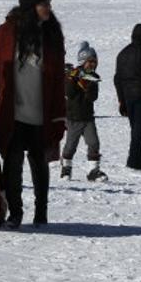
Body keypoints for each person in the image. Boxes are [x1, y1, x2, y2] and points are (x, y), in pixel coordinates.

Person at [0, 0, 66, 229]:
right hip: (12, 114)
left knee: (40, 165)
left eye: (49, 3)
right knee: (12, 164)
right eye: (43, 4)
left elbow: (59, 81)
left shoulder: (52, 36)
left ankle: (41, 213)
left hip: (42, 114)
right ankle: (15, 213)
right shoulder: (6, 33)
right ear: (30, 7)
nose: (48, 9)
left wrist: (61, 116)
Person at [114, 23, 141, 172]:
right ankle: (133, 161)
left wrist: (121, 99)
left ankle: (139, 162)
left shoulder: (123, 53)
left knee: (135, 130)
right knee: (138, 131)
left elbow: (117, 78)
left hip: (127, 96)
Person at [61, 41, 106, 181]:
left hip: (88, 118)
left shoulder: (93, 78)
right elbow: (69, 93)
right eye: (90, 62)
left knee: (94, 143)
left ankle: (94, 171)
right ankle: (66, 169)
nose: (92, 65)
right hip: (73, 118)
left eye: (94, 62)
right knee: (70, 146)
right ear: (82, 61)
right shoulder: (72, 75)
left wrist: (88, 86)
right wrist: (73, 80)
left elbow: (93, 97)